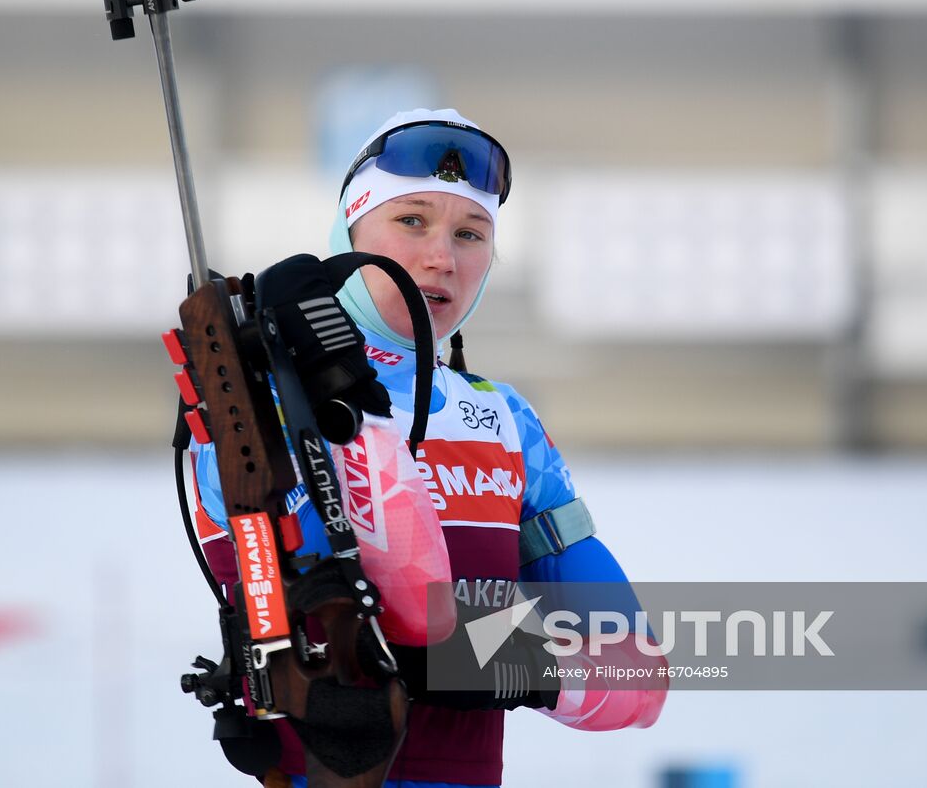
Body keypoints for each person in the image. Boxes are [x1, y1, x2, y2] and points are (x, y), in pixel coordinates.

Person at [191, 108, 667, 787]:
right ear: (348, 234)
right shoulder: (251, 395)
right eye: (411, 220)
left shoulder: (504, 420)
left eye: (471, 233)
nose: (442, 257)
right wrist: (307, 356)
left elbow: (638, 675)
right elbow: (383, 594)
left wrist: (506, 666)